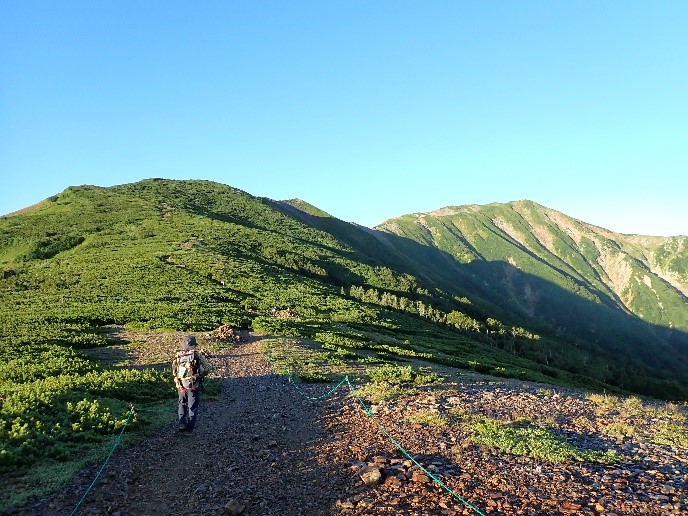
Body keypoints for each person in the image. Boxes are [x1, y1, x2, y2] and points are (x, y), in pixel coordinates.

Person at [172, 335, 212, 435]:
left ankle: (181, 424)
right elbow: (208, 367)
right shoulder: (196, 355)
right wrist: (200, 375)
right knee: (192, 407)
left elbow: (174, 370)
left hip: (181, 385)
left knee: (182, 403)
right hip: (193, 385)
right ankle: (189, 430)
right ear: (193, 345)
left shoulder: (178, 355)